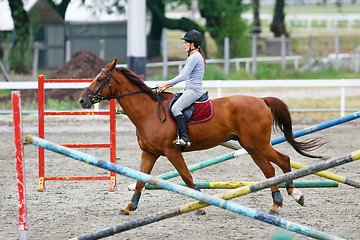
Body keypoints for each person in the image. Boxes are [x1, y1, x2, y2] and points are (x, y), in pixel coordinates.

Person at [157, 29, 206, 147]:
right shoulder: (193, 56)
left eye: (186, 42)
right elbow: (182, 75)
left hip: (194, 91)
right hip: (188, 89)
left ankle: (185, 138)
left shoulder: (195, 57)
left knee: (176, 109)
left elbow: (183, 76)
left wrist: (166, 84)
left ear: (192, 44)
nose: (183, 45)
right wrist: (166, 85)